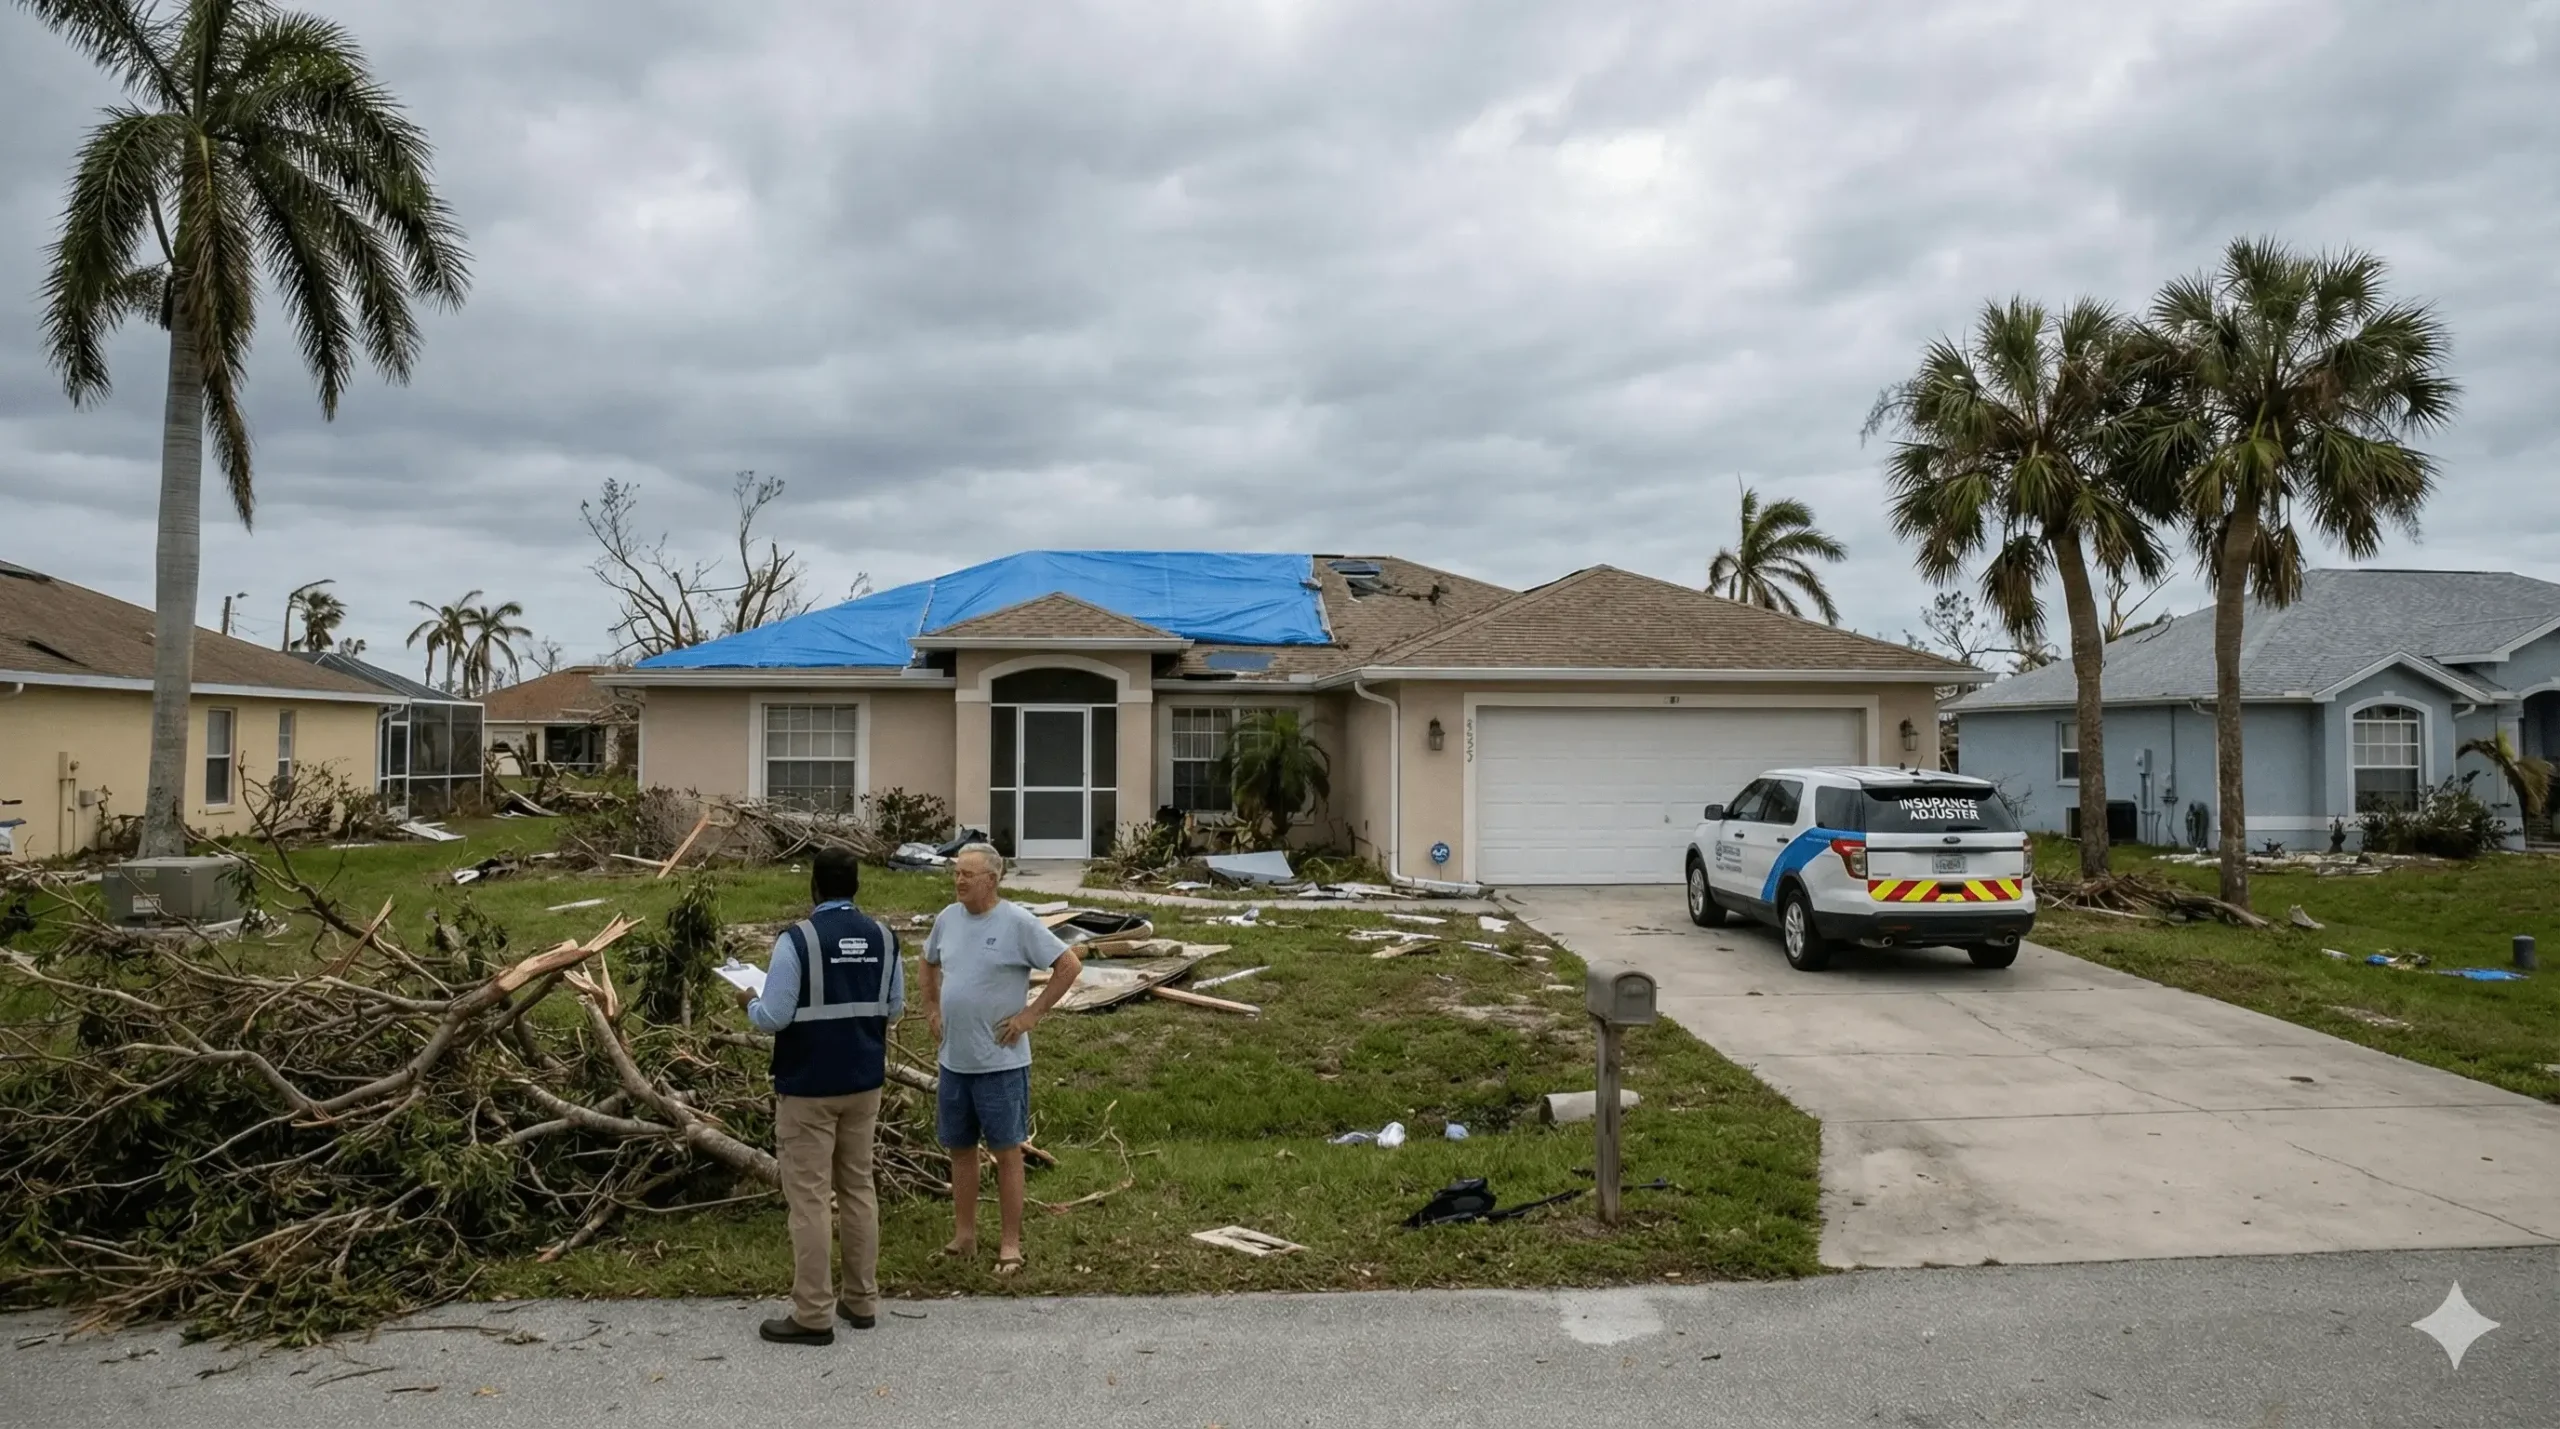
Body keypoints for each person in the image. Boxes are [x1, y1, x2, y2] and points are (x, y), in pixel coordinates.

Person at [735, 847, 903, 1346]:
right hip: (864, 1081)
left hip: (808, 1085)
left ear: (814, 886)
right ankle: (861, 1300)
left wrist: (749, 1001)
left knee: (808, 1199)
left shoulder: (798, 941)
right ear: (856, 887)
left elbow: (775, 1016)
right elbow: (893, 1009)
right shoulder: (885, 938)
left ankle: (812, 1314)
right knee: (858, 1189)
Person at [918, 842, 1081, 1276]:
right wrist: (931, 1008)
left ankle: (1010, 1244)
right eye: (956, 873)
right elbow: (927, 963)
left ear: (991, 880)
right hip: (954, 1062)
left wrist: (1031, 1015)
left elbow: (1069, 965)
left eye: (967, 875)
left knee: (1007, 1152)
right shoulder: (946, 920)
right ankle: (964, 1236)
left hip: (1001, 1064)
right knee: (960, 1150)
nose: (958, 881)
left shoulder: (1017, 923)